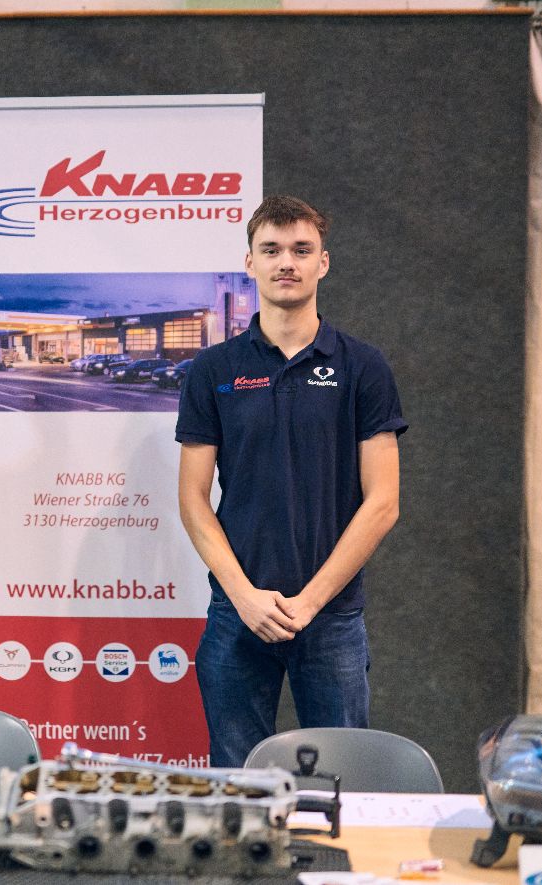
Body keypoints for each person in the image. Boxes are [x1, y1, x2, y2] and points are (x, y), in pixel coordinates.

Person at [175, 196, 406, 768]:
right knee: (237, 784)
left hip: (331, 616)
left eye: (302, 250)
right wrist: (243, 595)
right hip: (237, 612)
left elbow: (383, 502)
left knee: (342, 782)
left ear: (322, 263)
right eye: (272, 250)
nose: (287, 262)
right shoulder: (213, 370)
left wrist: (310, 602)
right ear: (249, 263)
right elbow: (193, 500)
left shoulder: (362, 367)